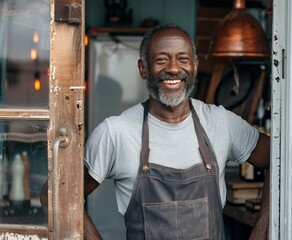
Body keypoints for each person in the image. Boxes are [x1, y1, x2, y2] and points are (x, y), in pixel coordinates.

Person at [43, 23, 270, 240]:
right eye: (161, 60)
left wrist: (260, 233)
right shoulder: (116, 132)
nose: (173, 68)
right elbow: (56, 194)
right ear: (143, 68)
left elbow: (278, 158)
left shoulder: (221, 123)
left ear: (195, 66)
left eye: (183, 59)